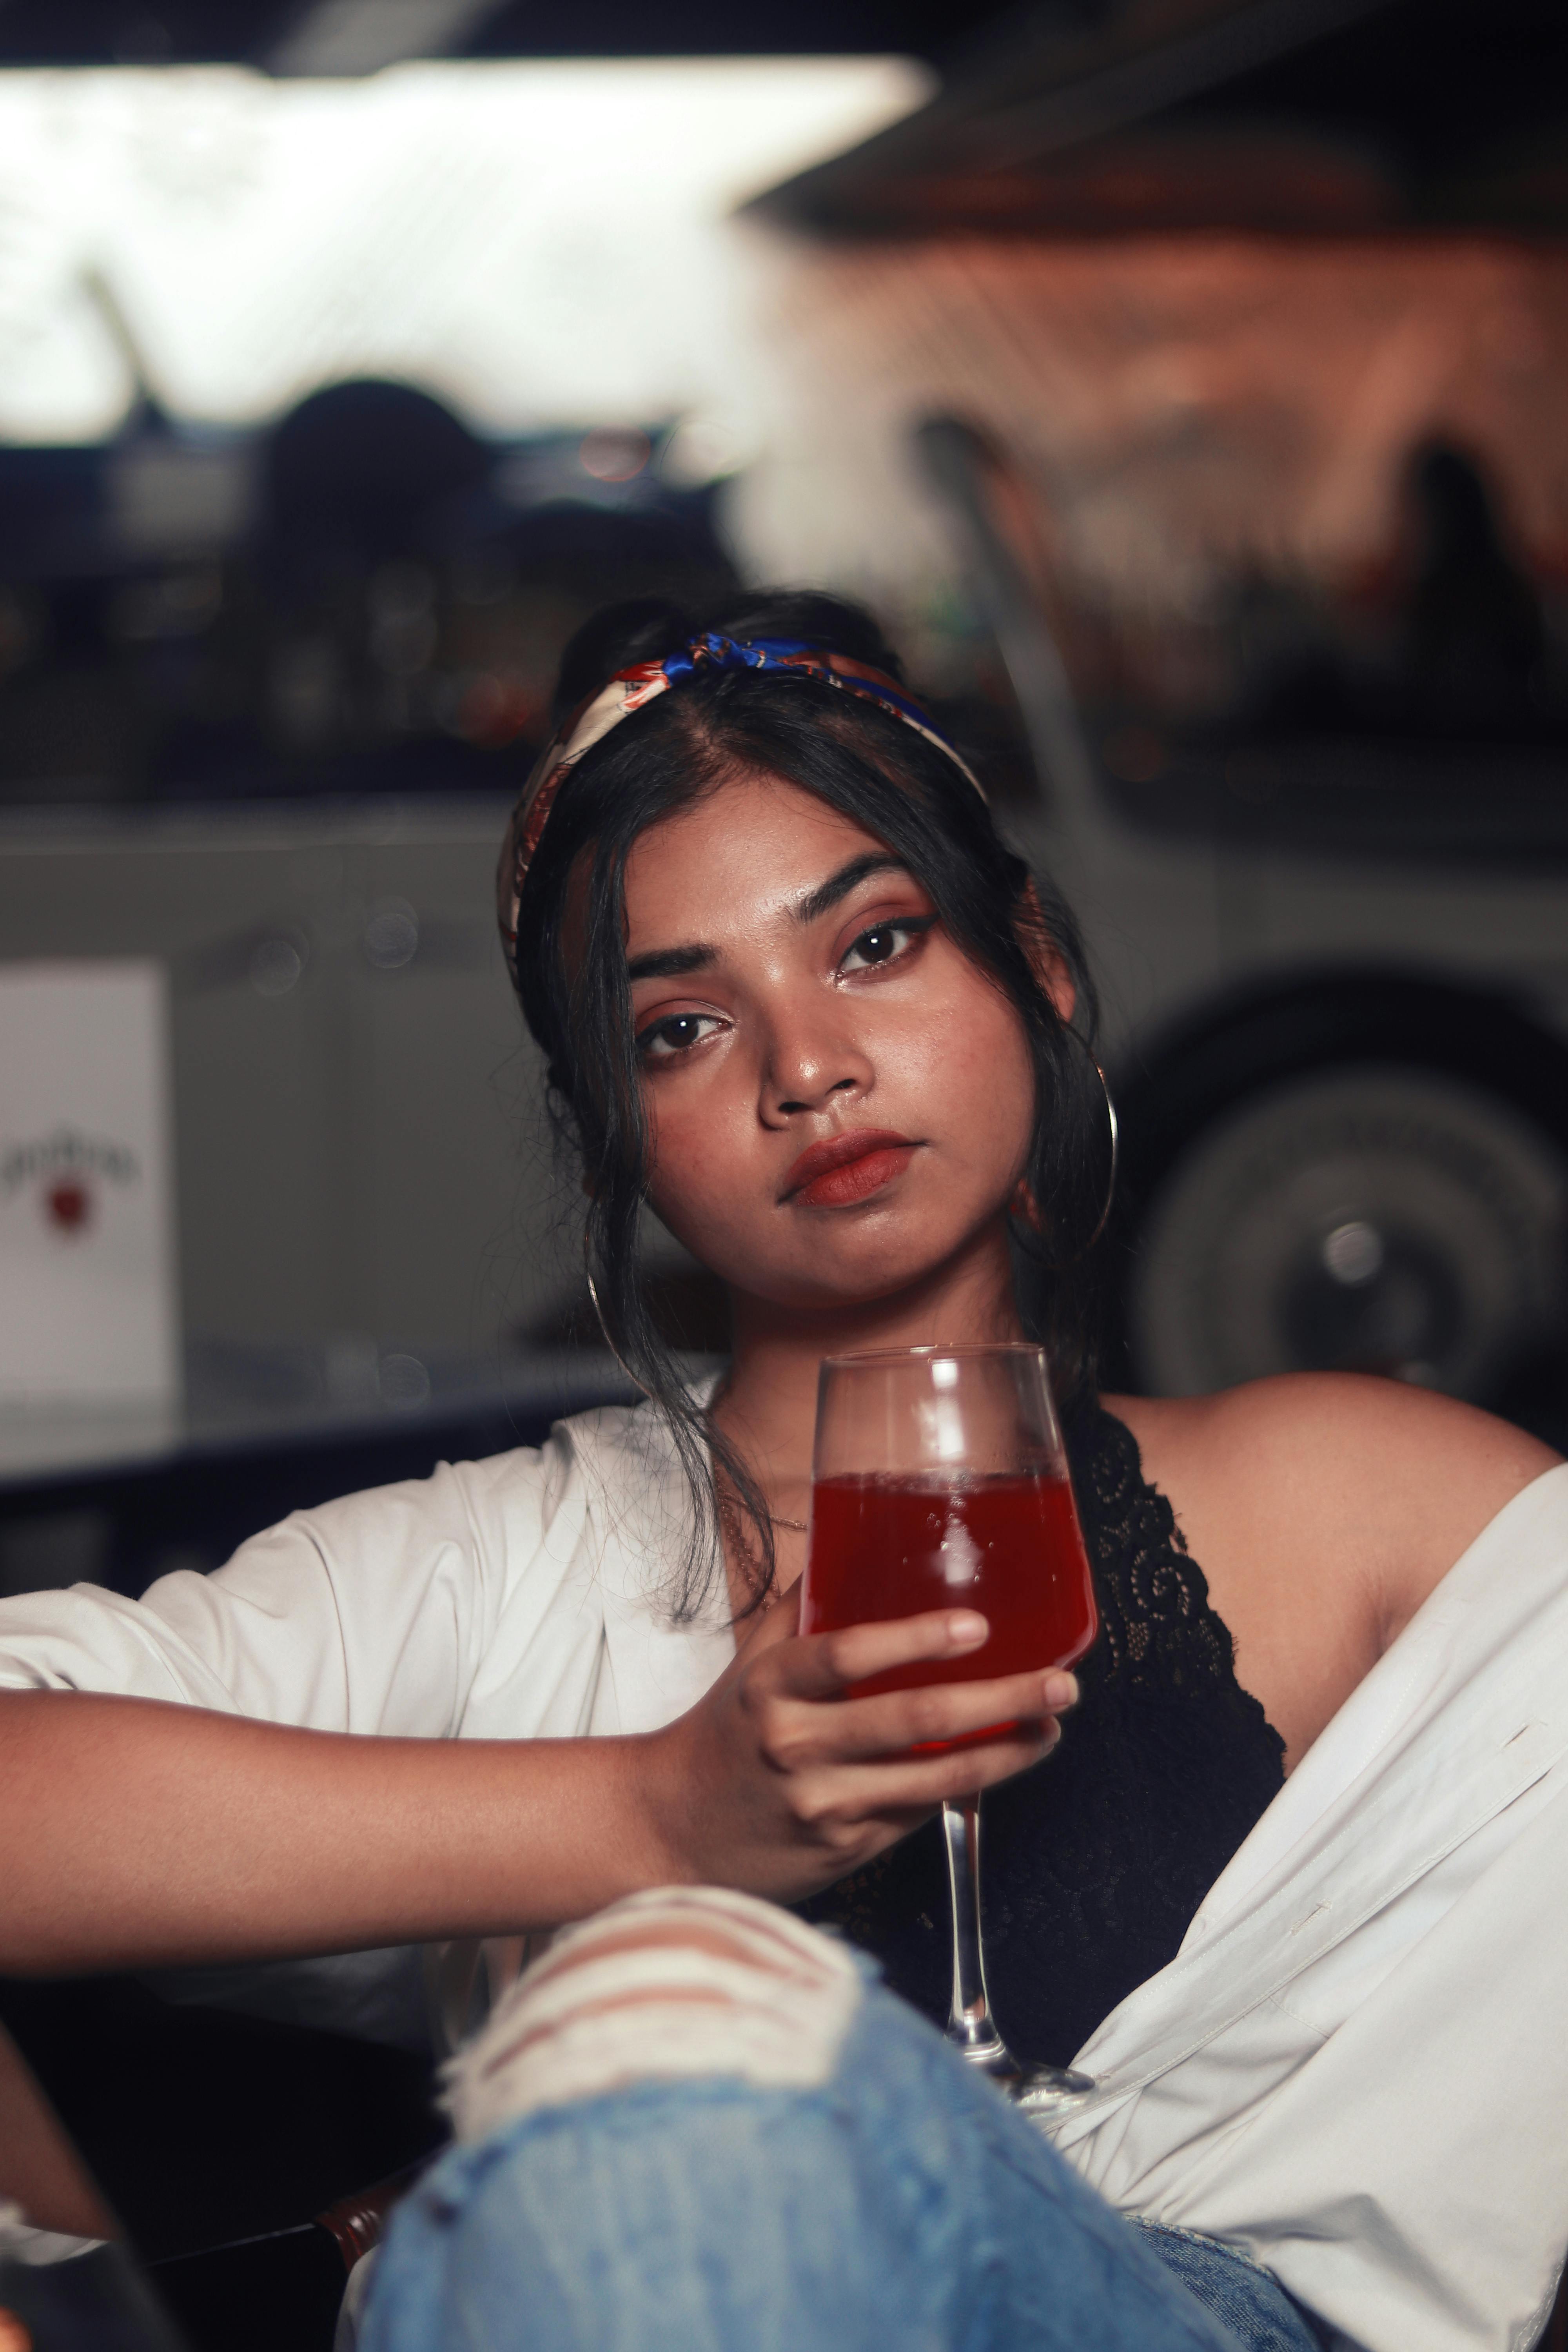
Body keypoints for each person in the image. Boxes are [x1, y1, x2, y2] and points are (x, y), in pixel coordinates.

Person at [0, 593, 1564, 2352]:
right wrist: (651, 1815)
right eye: (681, 1028)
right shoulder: (516, 1568)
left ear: (1032, 967)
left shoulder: (1358, 1501)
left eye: (876, 945)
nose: (806, 1069)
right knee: (660, 2075)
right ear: (619, 1139)